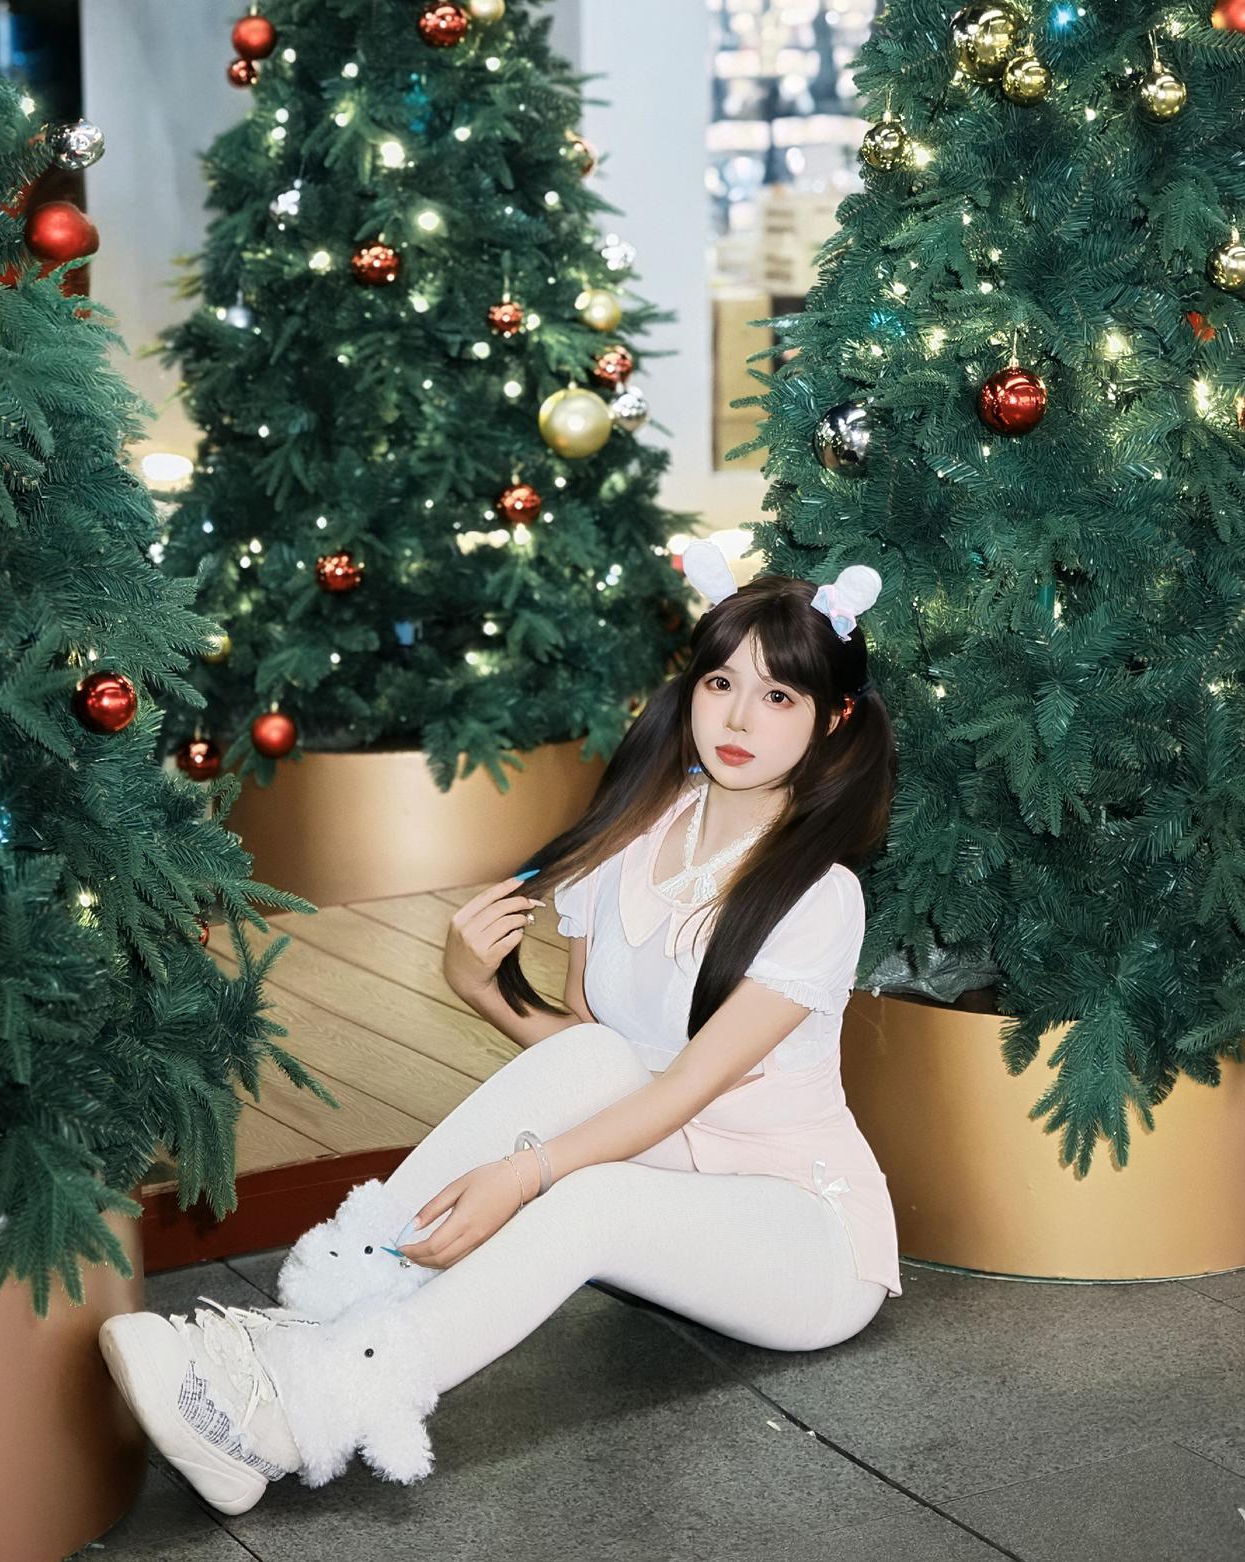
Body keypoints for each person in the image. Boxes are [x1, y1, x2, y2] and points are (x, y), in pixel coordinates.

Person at [98, 542, 901, 1516]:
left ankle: (297, 1416)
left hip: (799, 1234)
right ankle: (312, 1318)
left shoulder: (819, 896)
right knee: (597, 1054)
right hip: (678, 1164)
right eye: (720, 682)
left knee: (589, 1199)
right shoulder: (638, 832)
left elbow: (686, 1087)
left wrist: (526, 1174)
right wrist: (475, 985)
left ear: (832, 718)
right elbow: (598, 1059)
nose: (737, 718)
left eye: (777, 697)